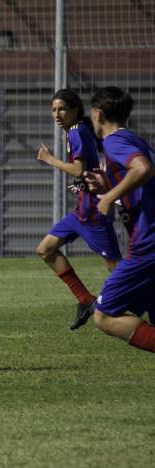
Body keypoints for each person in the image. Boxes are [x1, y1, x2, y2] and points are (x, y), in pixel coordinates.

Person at [35, 89, 121, 330]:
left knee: (117, 268)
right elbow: (90, 167)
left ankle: (137, 305)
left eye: (62, 108)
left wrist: (49, 159)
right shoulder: (77, 130)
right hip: (81, 211)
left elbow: (78, 169)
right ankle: (85, 300)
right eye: (53, 109)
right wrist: (83, 184)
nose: (57, 114)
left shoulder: (76, 132)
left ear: (75, 110)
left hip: (94, 212)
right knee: (46, 250)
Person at [83, 87, 155, 353]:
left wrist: (108, 196)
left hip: (147, 245)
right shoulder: (135, 139)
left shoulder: (113, 142)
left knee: (104, 315)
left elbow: (143, 169)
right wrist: (107, 183)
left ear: (97, 114)